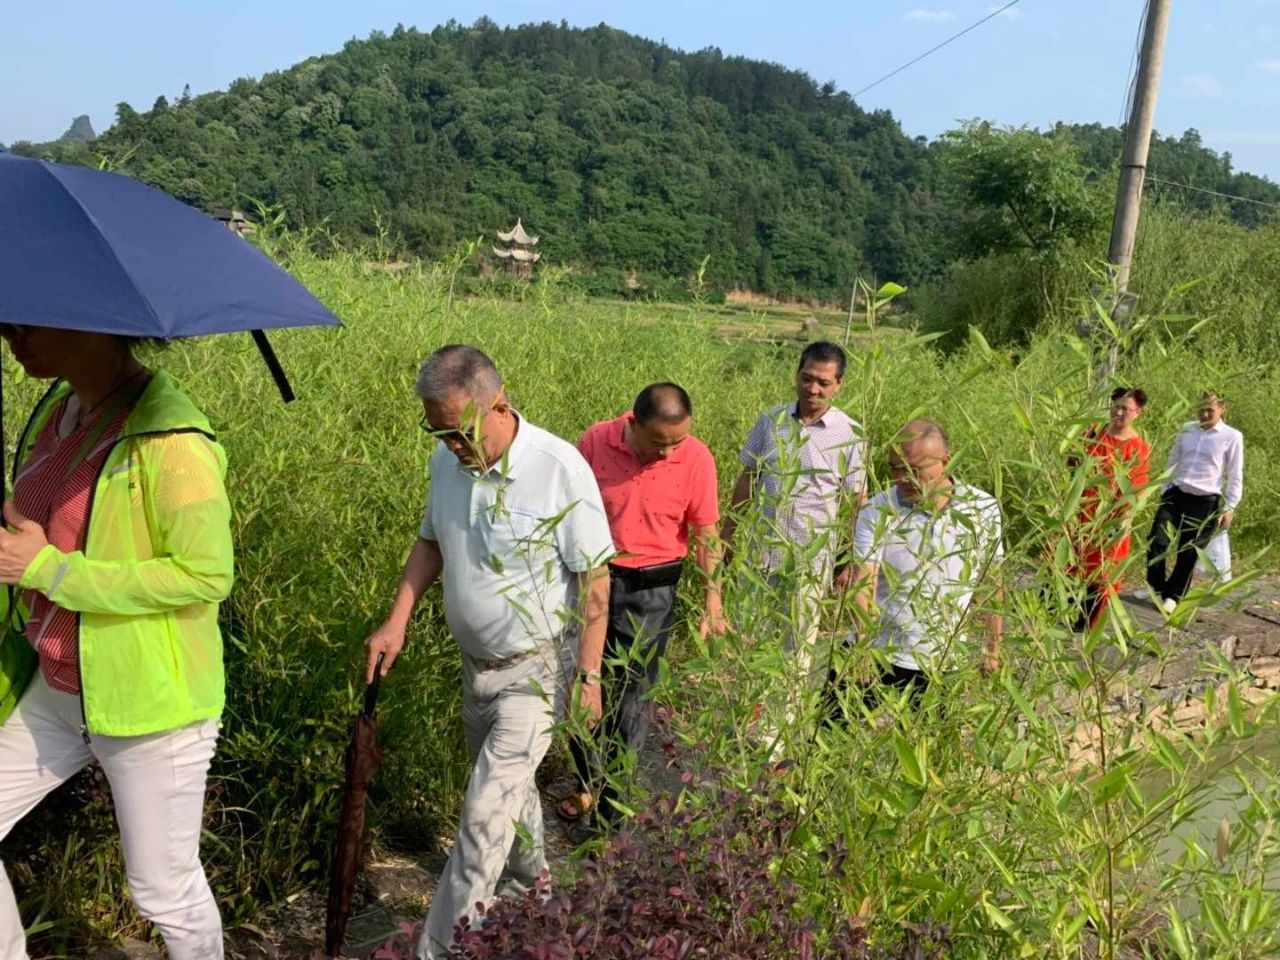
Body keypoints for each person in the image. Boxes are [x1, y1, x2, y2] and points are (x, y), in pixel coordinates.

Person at [362, 345, 614, 960]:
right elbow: (430, 543)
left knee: (480, 816)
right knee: (511, 798)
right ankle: (535, 890)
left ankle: (443, 949)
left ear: (498, 405)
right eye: (438, 430)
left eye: (459, 430)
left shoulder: (560, 468)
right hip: (477, 670)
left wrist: (587, 677)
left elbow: (595, 580)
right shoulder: (446, 462)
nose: (451, 443)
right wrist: (396, 620)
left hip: (536, 670)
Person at [0, 324, 233, 960]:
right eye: (5, 324)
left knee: (163, 889)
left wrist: (45, 569)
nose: (9, 337)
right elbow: (51, 525)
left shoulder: (172, 440)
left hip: (147, 701)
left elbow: (204, 574)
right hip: (58, 683)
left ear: (95, 326)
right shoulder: (61, 406)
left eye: (26, 325)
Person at [567, 383, 724, 826]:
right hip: (594, 582)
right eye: (659, 443)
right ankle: (587, 781)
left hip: (653, 590)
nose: (669, 453)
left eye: (678, 442)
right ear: (632, 424)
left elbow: (706, 535)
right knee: (584, 683)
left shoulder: (697, 458)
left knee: (634, 696)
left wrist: (714, 599)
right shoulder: (595, 441)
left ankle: (611, 809)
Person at [721, 342, 867, 710]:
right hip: (761, 555)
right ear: (796, 374)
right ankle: (745, 719)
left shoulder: (850, 434)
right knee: (749, 638)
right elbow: (749, 477)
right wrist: (727, 534)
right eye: (806, 378)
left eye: (823, 382)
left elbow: (856, 503)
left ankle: (778, 731)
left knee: (796, 646)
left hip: (809, 562)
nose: (812, 389)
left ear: (839, 385)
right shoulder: (770, 421)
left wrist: (853, 560)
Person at [832, 420, 1003, 713]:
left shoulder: (982, 509)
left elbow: (991, 584)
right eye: (895, 468)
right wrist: (861, 648)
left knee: (929, 749)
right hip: (878, 649)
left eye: (914, 469)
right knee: (833, 737)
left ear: (945, 462)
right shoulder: (877, 510)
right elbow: (864, 583)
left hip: (941, 659)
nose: (902, 478)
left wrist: (992, 648)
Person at [1142, 391, 1244, 614]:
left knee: (1188, 551)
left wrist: (1229, 507)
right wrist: (1165, 488)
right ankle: (1158, 587)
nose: (1205, 413)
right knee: (1156, 541)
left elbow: (1235, 475)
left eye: (1210, 409)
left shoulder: (1231, 436)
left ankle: (1174, 595)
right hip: (1176, 494)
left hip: (1205, 501)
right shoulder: (1187, 428)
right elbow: (1173, 459)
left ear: (1222, 408)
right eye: (1201, 408)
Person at [1069, 387, 1151, 630]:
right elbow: (1072, 466)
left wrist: (1122, 524)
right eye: (1116, 405)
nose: (1119, 411)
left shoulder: (1138, 448)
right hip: (1080, 515)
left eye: (1126, 408)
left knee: (1101, 576)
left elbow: (1135, 492)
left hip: (1109, 521)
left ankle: (1085, 630)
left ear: (1138, 412)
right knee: (1070, 566)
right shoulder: (1094, 433)